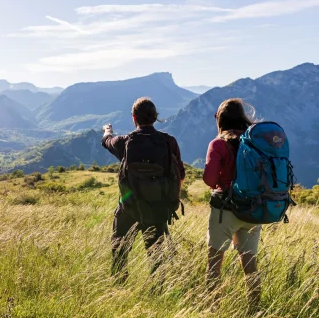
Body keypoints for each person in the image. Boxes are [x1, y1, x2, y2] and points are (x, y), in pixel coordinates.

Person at [102, 97, 185, 283]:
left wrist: (108, 131)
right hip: (158, 207)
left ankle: (118, 285)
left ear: (134, 118)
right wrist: (170, 200)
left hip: (129, 206)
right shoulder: (168, 141)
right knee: (156, 255)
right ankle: (158, 291)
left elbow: (106, 141)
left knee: (119, 248)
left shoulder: (125, 142)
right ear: (155, 117)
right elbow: (180, 174)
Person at [203, 98, 261, 309]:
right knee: (250, 264)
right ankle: (254, 309)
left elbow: (209, 180)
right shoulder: (255, 142)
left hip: (225, 209)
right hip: (254, 210)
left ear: (220, 119)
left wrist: (221, 181)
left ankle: (213, 308)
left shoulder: (218, 143)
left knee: (214, 263)